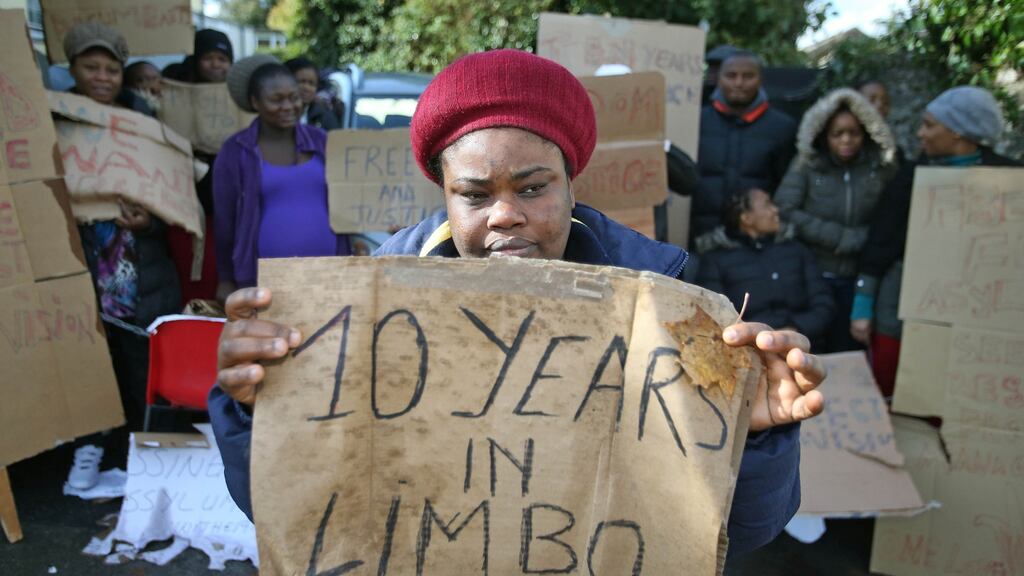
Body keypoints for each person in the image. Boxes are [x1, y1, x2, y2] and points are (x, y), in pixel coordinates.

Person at [208, 49, 827, 557]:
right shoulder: (364, 320)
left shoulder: (667, 317)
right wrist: (255, 412)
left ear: (570, 181)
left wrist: (755, 437)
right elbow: (285, 513)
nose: (506, 214)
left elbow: (745, 531)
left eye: (533, 188)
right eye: (474, 195)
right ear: (444, 196)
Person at [62, 22, 181, 488]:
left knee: (144, 374)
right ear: (71, 70)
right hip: (83, 271)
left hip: (141, 274)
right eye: (91, 67)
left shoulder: (147, 125)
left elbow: (174, 199)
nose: (103, 76)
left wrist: (148, 223)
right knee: (90, 371)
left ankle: (150, 471)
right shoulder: (56, 124)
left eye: (112, 69)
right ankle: (89, 456)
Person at [851, 86, 1021, 396]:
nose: (920, 133)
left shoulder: (1009, 180)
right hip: (901, 312)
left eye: (929, 125)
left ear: (958, 132)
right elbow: (880, 245)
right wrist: (863, 305)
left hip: (975, 315)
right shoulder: (910, 178)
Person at [214, 55, 352, 302]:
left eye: (294, 97)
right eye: (276, 100)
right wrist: (226, 279)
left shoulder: (322, 141)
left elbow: (351, 196)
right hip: (262, 285)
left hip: (330, 277)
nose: (288, 106)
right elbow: (225, 222)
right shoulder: (235, 151)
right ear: (255, 102)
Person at [774, 88, 898, 352]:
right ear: (824, 135)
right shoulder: (807, 165)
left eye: (853, 133)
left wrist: (863, 239)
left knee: (850, 348)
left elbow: (891, 217)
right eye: (837, 134)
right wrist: (839, 237)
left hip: (861, 273)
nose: (846, 140)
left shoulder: (880, 168)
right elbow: (785, 209)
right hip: (814, 271)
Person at [696, 188, 835, 349]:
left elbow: (824, 303)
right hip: (748, 350)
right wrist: (754, 338)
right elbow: (714, 313)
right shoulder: (715, 260)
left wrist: (795, 330)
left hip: (803, 345)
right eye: (767, 205)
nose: (775, 210)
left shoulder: (796, 250)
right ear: (746, 218)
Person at [694, 50, 796, 242]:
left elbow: (787, 189)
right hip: (700, 238)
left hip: (757, 242)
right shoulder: (696, 120)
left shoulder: (783, 127)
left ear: (760, 80)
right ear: (718, 78)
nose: (739, 83)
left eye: (748, 76)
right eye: (731, 76)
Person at [165, 29, 236, 304]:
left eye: (222, 58)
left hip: (226, 210)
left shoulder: (240, 100)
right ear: (195, 60)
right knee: (194, 281)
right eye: (209, 57)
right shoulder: (173, 91)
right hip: (187, 208)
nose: (216, 65)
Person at [285, 57, 342, 130]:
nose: (306, 88)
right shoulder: (276, 114)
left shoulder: (324, 116)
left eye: (311, 84)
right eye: (301, 81)